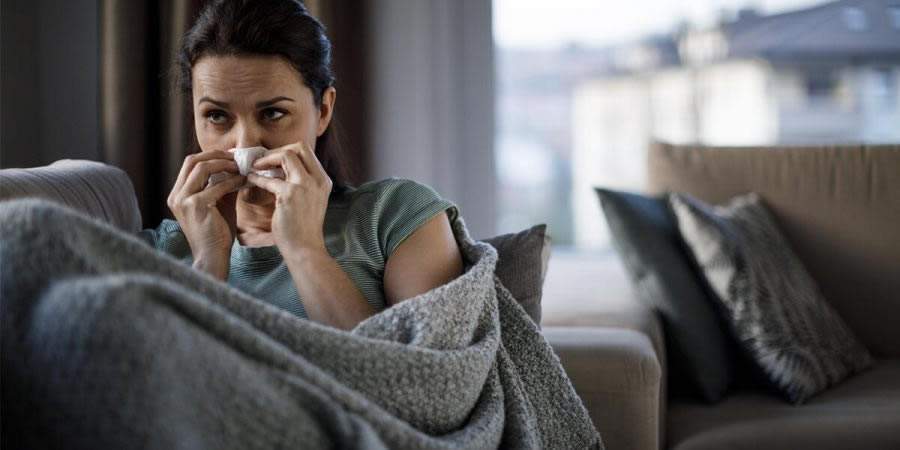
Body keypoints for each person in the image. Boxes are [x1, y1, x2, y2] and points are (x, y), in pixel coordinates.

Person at [140, 0, 464, 331]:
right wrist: (208, 264)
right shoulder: (155, 253)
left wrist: (305, 249)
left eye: (272, 113)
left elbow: (419, 377)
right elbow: (164, 379)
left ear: (323, 110)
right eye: (217, 116)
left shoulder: (397, 218)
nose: (245, 144)